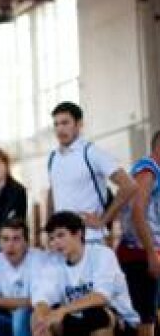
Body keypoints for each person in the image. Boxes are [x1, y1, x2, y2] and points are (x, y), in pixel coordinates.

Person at [30, 211, 140, 336]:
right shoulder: (53, 263)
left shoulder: (101, 255)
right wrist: (43, 315)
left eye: (61, 235)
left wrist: (62, 310)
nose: (56, 243)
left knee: (95, 314)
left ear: (78, 233)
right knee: (36, 318)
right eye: (52, 238)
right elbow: (41, 298)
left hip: (120, 329)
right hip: (77, 330)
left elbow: (102, 297)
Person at [46, 102, 137, 246]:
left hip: (89, 239)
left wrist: (103, 220)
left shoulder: (91, 153)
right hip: (61, 242)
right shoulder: (53, 157)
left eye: (65, 123)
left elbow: (129, 185)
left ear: (79, 124)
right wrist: (49, 229)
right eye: (56, 124)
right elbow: (53, 192)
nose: (60, 129)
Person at [114, 130, 160, 336]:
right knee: (143, 317)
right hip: (138, 253)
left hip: (144, 251)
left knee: (149, 316)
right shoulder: (148, 168)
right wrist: (151, 254)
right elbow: (138, 211)